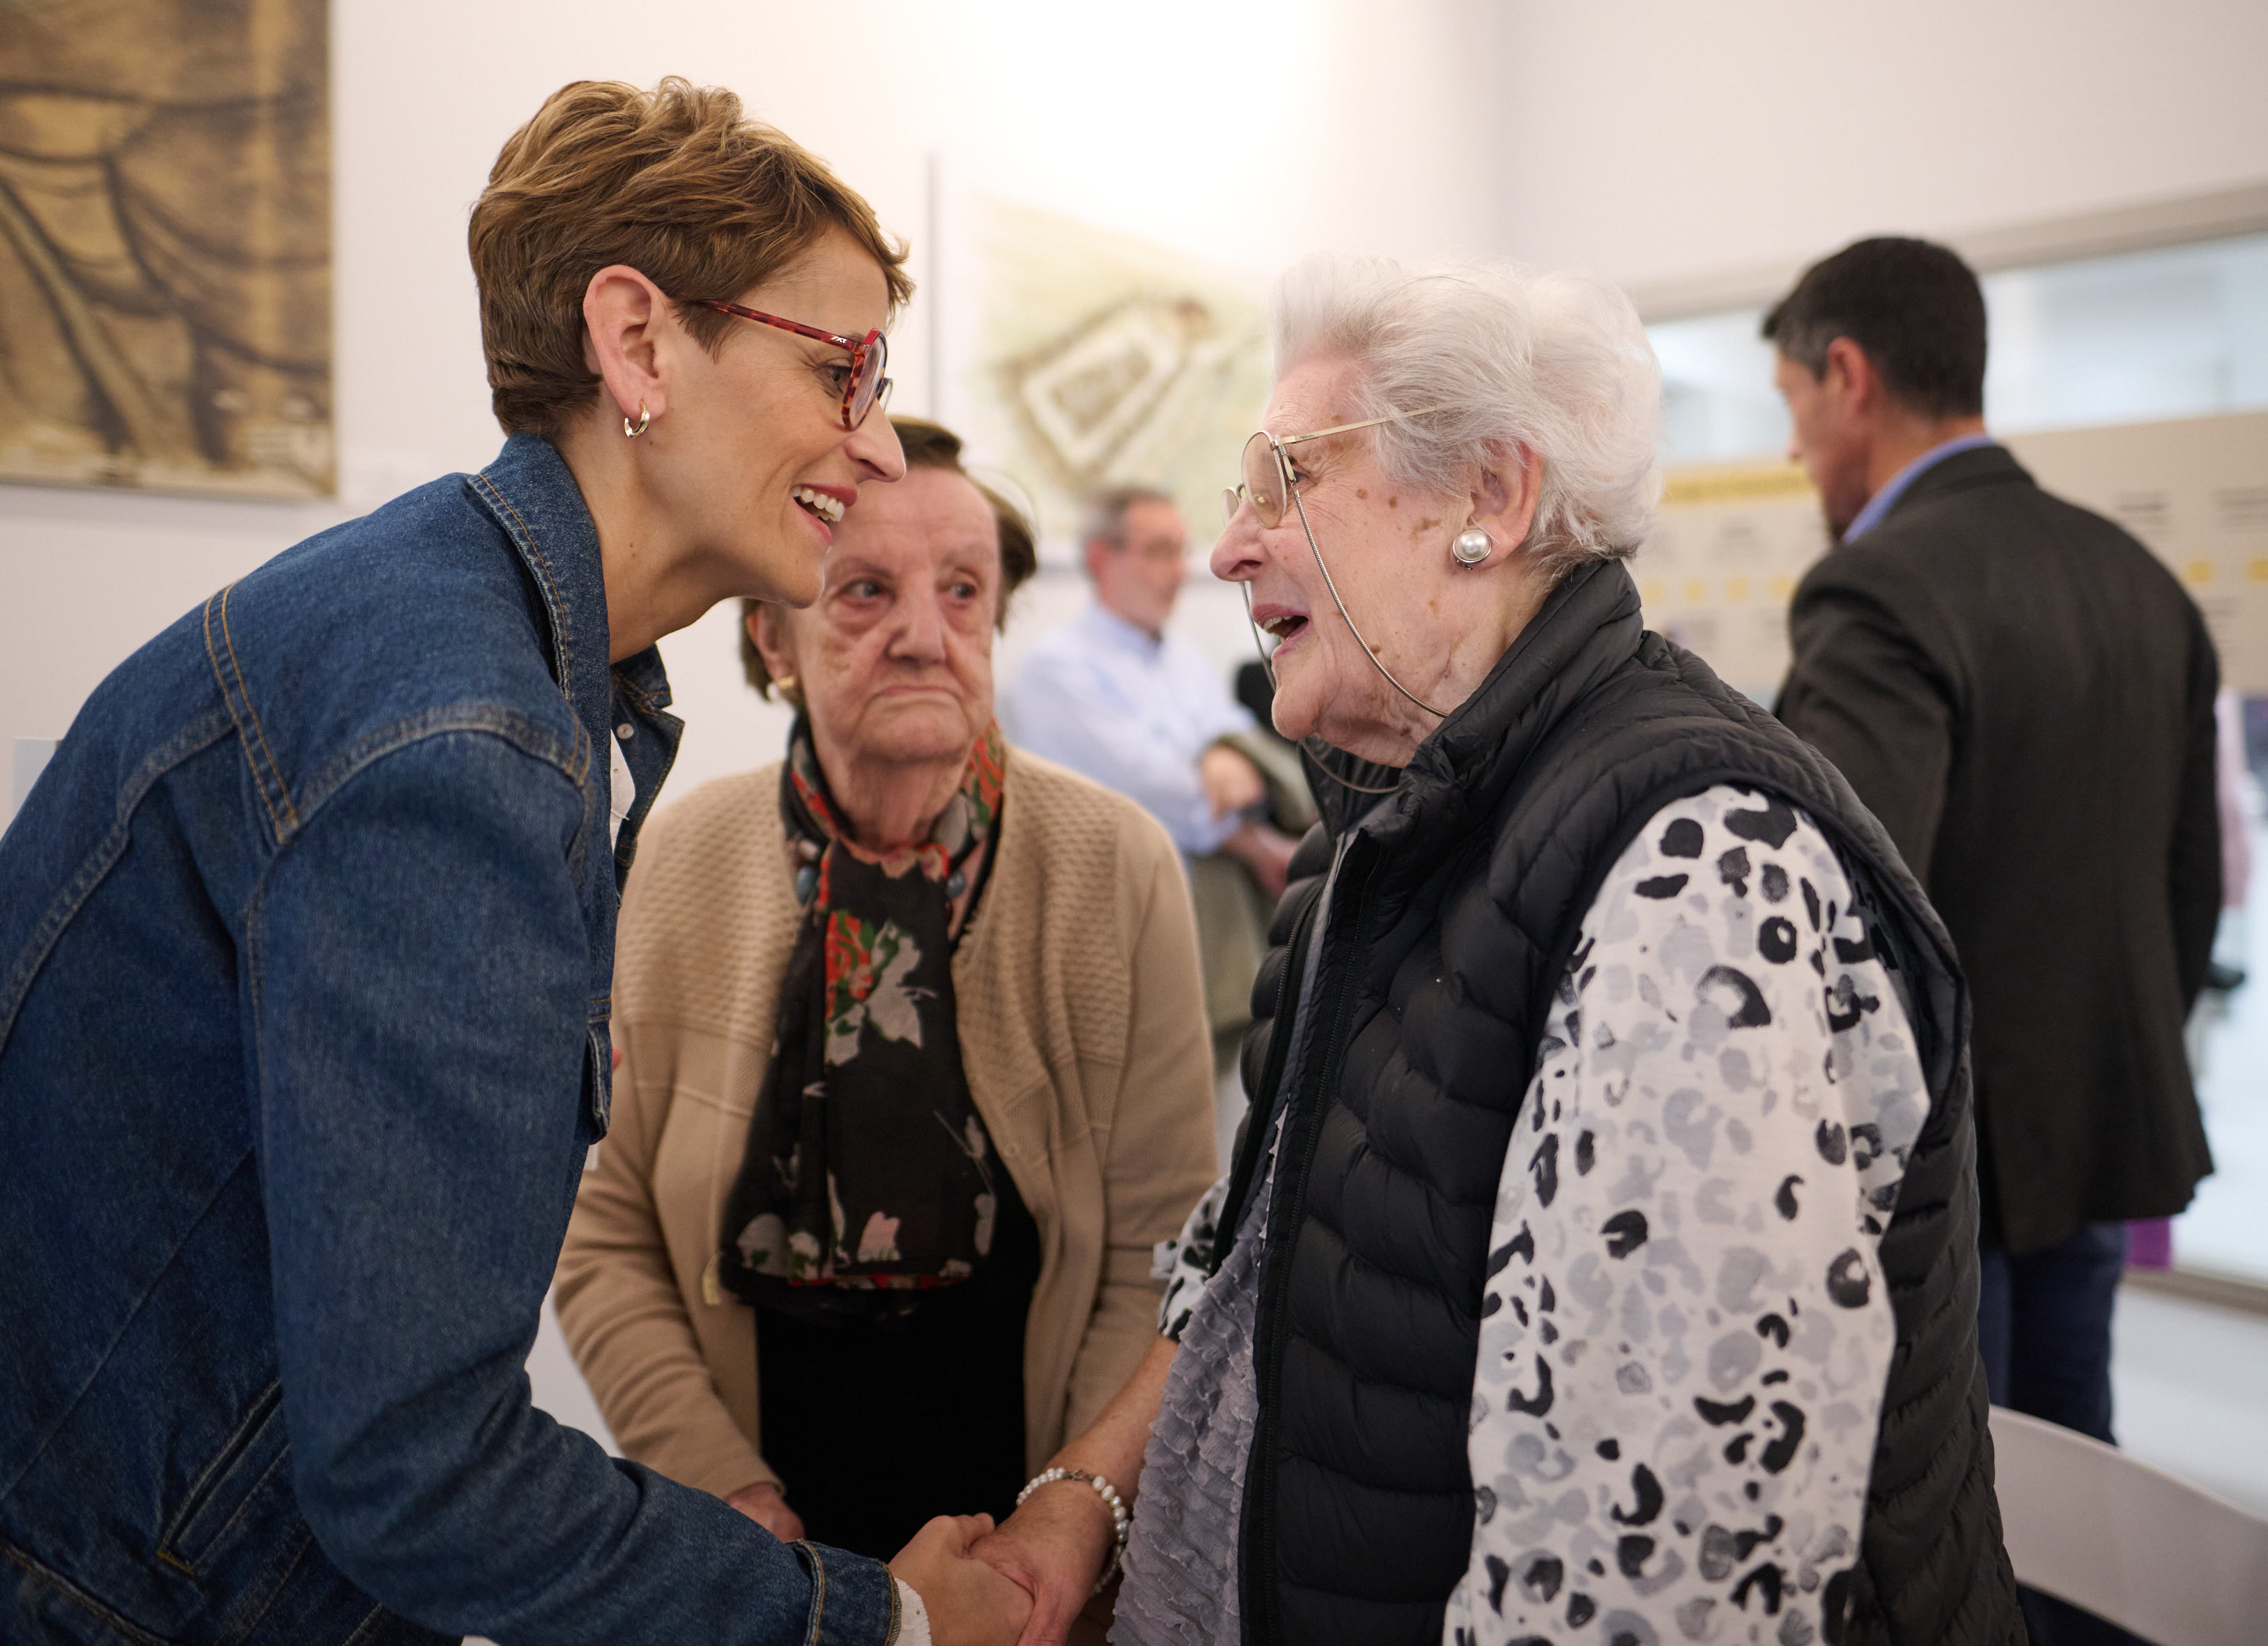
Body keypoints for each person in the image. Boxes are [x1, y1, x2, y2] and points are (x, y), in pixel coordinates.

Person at [0, 79, 1026, 1646]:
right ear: (637, 343)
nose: (875, 442)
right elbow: (419, 1472)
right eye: (840, 369)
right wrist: (888, 1621)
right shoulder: (458, 735)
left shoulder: (468, 637)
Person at [964, 256, 2026, 1646]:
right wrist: (1086, 1495)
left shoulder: (1693, 868)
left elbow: (1652, 1579)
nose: (1229, 548)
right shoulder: (1376, 825)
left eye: (1285, 479)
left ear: (1489, 497)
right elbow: (1263, 1258)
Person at [551, 416, 1219, 1576]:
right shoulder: (675, 856)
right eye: (864, 590)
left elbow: (1157, 1253)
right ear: (770, 636)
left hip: (1031, 1534)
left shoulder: (1115, 862)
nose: (923, 635)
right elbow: (602, 1228)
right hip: (761, 1540)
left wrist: (1060, 1526)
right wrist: (720, 1488)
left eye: (962, 591)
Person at [1766, 235, 2218, 1646]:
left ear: (1848, 376)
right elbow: (2186, 884)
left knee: (1946, 1551)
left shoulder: (1875, 589)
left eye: (1790, 403)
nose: (1792, 449)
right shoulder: (2136, 575)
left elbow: (1838, 915)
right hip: (2093, 1140)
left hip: (1945, 1181)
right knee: (2080, 1518)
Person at [1003, 489, 1302, 1086]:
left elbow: (1242, 749)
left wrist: (1220, 751)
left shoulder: (1182, 659)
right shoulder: (1055, 670)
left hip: (1204, 929)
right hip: (1109, 941)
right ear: (1100, 559)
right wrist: (1254, 840)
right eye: (1158, 551)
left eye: (1180, 551)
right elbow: (1163, 791)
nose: (1178, 571)